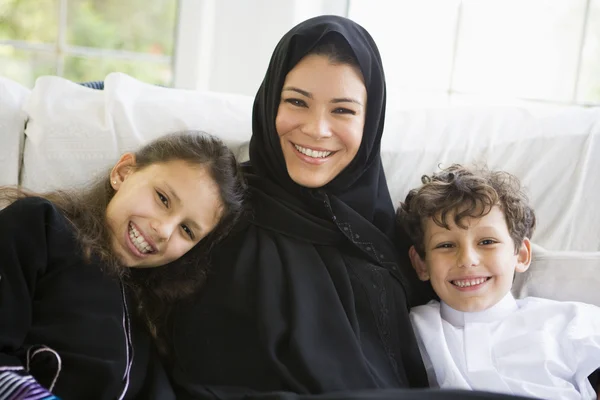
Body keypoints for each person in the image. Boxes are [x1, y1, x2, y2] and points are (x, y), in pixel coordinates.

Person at [168, 15, 535, 400]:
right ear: (270, 101)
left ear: (370, 121)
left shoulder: (399, 238)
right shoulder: (219, 212)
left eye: (342, 110)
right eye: (296, 102)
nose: (317, 129)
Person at [0, 131, 245, 400]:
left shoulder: (147, 318)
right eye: (163, 199)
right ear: (124, 172)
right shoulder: (39, 226)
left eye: (186, 230)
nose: (163, 230)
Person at [396, 164, 600, 400]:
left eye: (487, 242)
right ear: (421, 263)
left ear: (521, 255)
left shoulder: (571, 322)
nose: (467, 260)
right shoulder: (409, 329)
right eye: (446, 245)